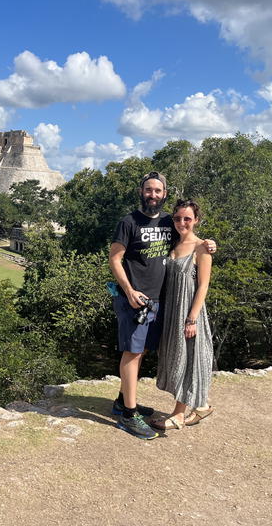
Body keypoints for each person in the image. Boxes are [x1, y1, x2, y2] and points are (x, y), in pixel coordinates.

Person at [109, 174, 216, 439]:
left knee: (142, 349)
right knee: (132, 352)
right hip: (136, 298)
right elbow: (114, 259)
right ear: (140, 191)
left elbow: (188, 234)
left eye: (158, 190)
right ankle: (129, 415)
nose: (153, 195)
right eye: (148, 190)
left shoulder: (170, 221)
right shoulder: (128, 222)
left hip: (159, 301)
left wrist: (209, 243)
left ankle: (123, 401)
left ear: (165, 193)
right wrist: (129, 290)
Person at [152, 199, 214, 431]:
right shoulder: (173, 245)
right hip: (172, 311)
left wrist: (192, 318)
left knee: (188, 360)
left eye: (187, 218)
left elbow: (203, 286)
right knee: (177, 358)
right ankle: (202, 405)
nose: (181, 222)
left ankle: (178, 414)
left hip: (189, 312)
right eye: (177, 218)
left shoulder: (202, 247)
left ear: (196, 220)